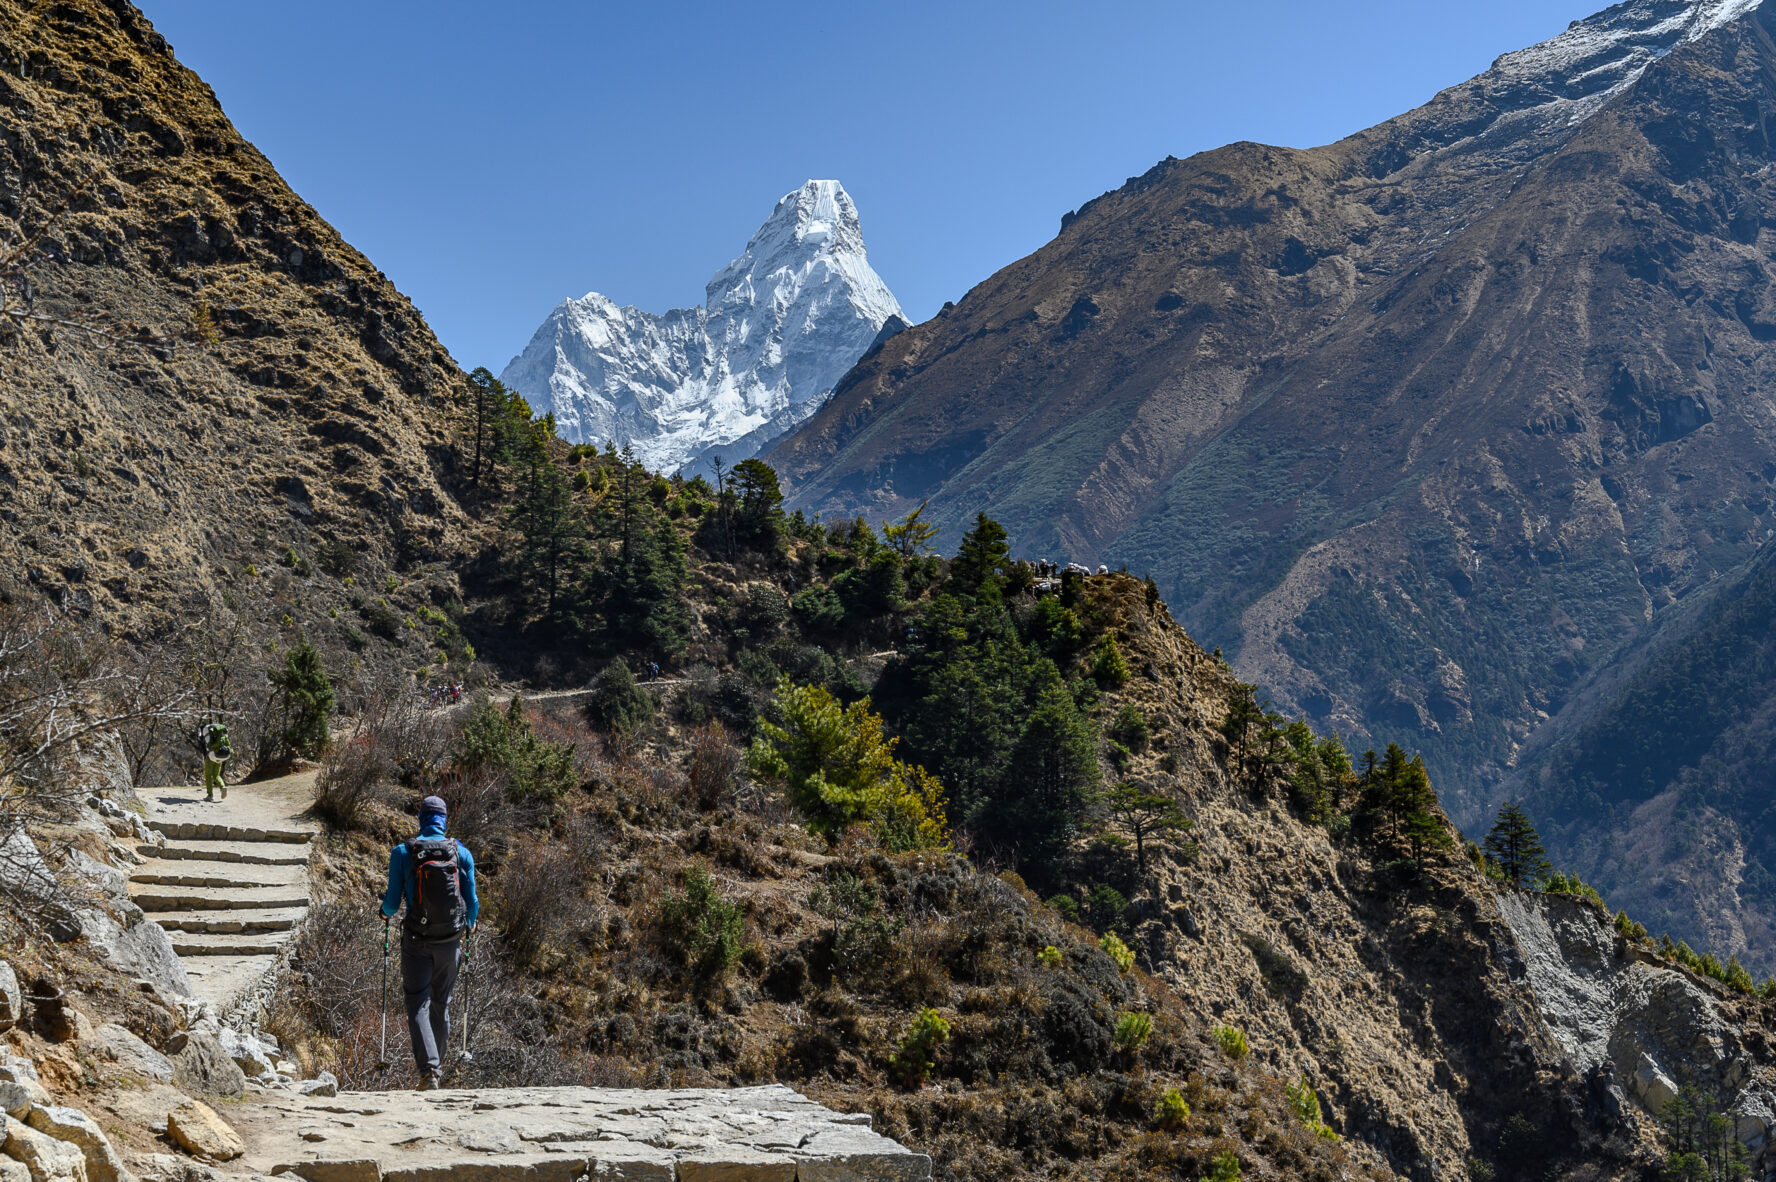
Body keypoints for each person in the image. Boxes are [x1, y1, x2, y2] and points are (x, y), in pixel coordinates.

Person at [380, 794, 479, 1089]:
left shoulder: (403, 851)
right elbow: (472, 902)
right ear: (444, 819)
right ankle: (436, 1069)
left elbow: (391, 905)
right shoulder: (460, 852)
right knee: (441, 1003)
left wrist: (383, 914)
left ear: (421, 817)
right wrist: (469, 926)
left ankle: (429, 1072)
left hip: (417, 941)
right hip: (451, 941)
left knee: (417, 1001)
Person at [198, 722, 232, 802]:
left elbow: (202, 746)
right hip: (220, 755)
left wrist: (204, 754)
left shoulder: (204, 735)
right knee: (216, 775)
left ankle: (210, 795)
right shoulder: (220, 735)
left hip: (210, 756)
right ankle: (222, 787)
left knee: (208, 775)